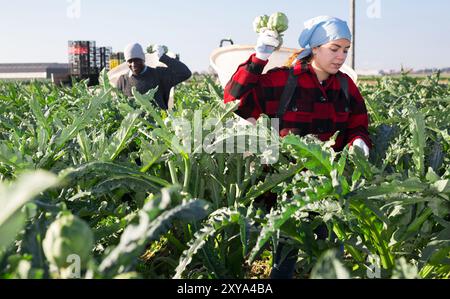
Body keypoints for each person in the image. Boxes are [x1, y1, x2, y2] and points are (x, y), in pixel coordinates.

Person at [223, 16, 372, 278]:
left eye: (345, 50)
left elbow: (357, 124)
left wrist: (358, 141)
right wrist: (259, 58)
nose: (341, 57)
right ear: (315, 48)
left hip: (330, 187)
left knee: (331, 253)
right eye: (334, 49)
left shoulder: (346, 86)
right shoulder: (283, 81)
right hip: (286, 190)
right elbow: (234, 102)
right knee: (285, 256)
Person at [117, 43, 192, 110]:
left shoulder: (159, 74)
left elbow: (185, 73)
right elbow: (119, 105)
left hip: (158, 124)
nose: (133, 64)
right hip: (132, 125)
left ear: (143, 59)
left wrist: (164, 57)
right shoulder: (122, 80)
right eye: (130, 61)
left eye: (137, 60)